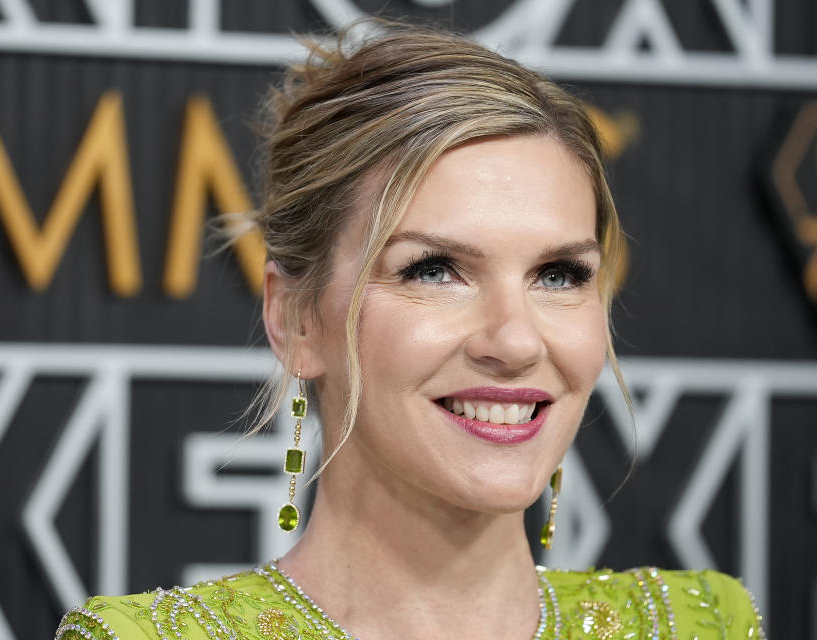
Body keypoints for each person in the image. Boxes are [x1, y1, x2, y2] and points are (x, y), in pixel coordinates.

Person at [55, 21, 765, 640]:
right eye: (434, 270)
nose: (515, 342)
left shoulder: (703, 624)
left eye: (558, 275)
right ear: (295, 317)